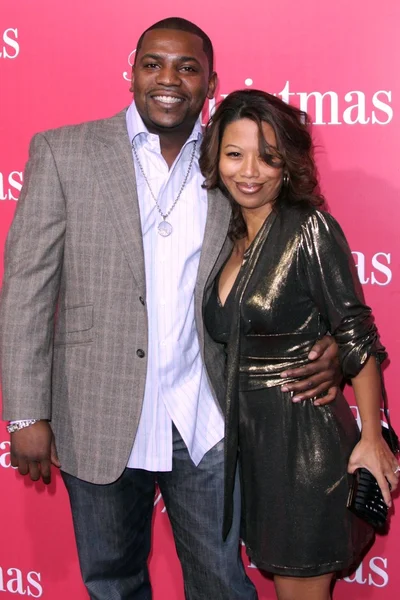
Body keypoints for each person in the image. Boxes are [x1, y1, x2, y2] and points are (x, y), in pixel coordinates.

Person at [0, 19, 339, 600]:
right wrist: (25, 413)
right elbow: (26, 287)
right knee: (112, 581)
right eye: (154, 63)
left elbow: (289, 259)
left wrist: (328, 344)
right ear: (131, 71)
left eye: (188, 67)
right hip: (96, 410)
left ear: (210, 82)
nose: (169, 79)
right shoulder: (64, 151)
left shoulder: (232, 163)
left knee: (222, 582)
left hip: (204, 413)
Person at [200, 88, 399, 600]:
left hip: (304, 448)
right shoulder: (227, 236)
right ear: (216, 158)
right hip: (253, 450)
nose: (250, 171)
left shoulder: (308, 227)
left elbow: (356, 333)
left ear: (287, 164)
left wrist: (372, 438)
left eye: (267, 157)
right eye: (234, 154)